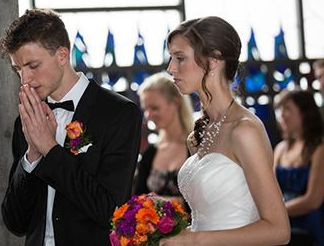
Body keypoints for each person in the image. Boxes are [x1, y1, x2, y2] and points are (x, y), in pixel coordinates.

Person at [0, 9, 142, 245]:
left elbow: (110, 212)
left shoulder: (119, 113)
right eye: (18, 69)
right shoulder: (27, 121)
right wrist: (31, 157)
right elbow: (15, 222)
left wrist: (50, 149)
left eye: (33, 65)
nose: (24, 79)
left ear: (63, 55)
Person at [160, 16, 290, 245]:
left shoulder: (244, 130)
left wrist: (195, 240)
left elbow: (279, 231)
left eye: (180, 58)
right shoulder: (197, 136)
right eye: (172, 58)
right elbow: (212, 219)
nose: (171, 68)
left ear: (213, 61)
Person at [134, 72, 194, 212]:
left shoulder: (198, 146)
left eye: (154, 108)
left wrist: (163, 202)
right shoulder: (151, 152)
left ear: (175, 103)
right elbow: (137, 200)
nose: (148, 115)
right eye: (145, 110)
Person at [273, 89, 324, 245]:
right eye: (280, 110)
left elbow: (313, 200)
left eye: (287, 109)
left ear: (305, 112)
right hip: (281, 222)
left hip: (310, 224)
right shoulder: (280, 149)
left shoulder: (319, 148)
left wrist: (275, 213)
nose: (281, 116)